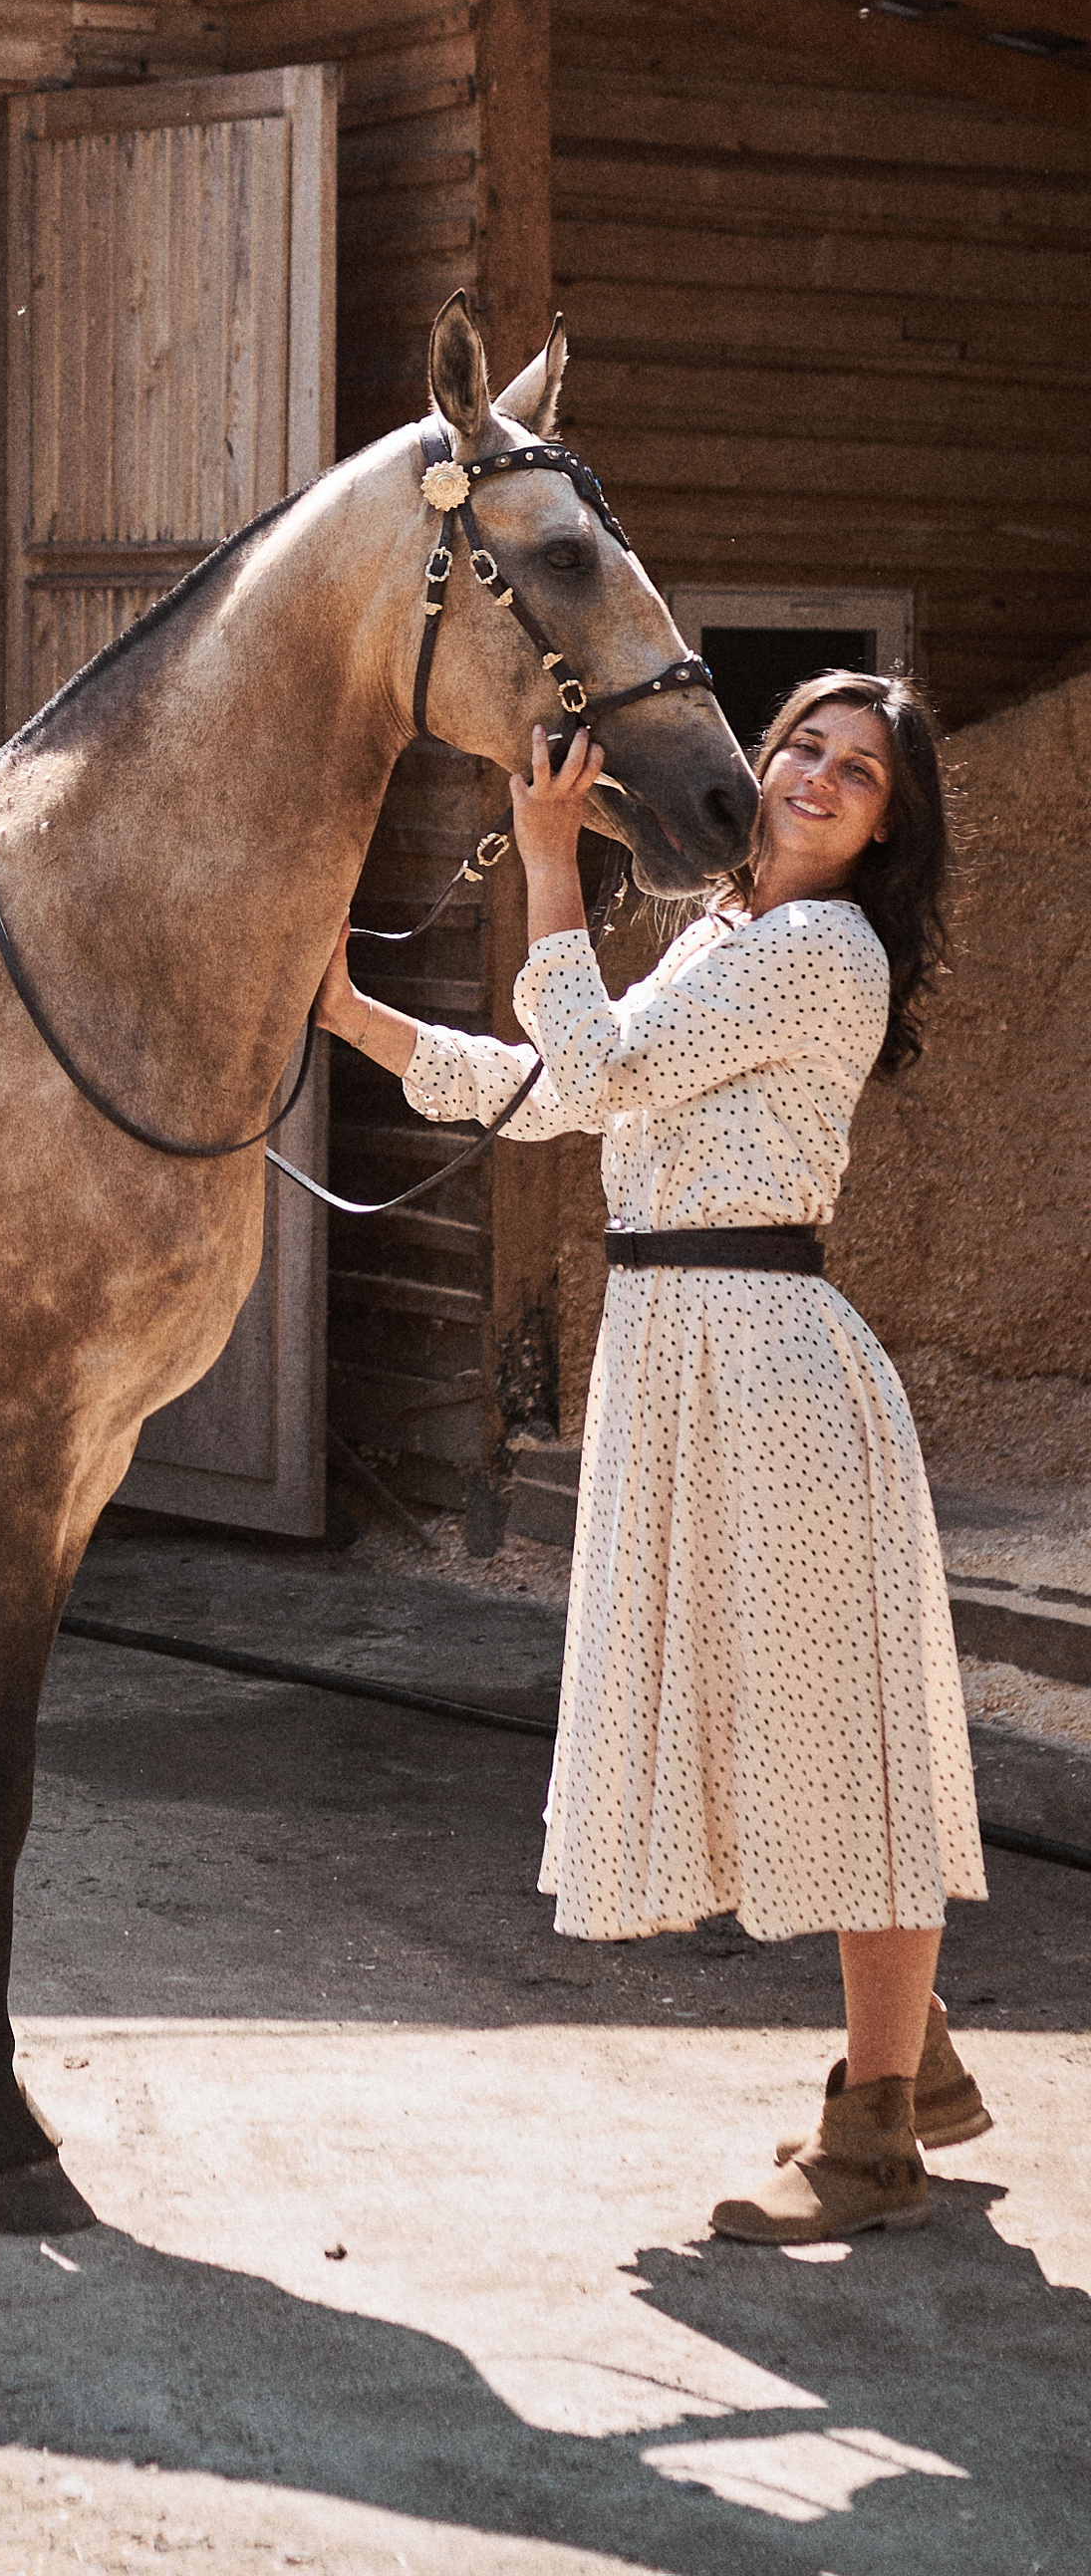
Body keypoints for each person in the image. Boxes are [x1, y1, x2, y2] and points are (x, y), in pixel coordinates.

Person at [317, 670, 984, 2242]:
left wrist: (548, 857)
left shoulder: (825, 949)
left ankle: (874, 2134)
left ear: (893, 825)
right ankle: (918, 2044)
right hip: (679, 1352)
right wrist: (350, 1016)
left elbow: (597, 1067)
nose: (818, 776)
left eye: (861, 771)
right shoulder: (726, 938)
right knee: (771, 1718)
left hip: (764, 1359)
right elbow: (559, 1093)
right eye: (804, 747)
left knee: (834, 1728)